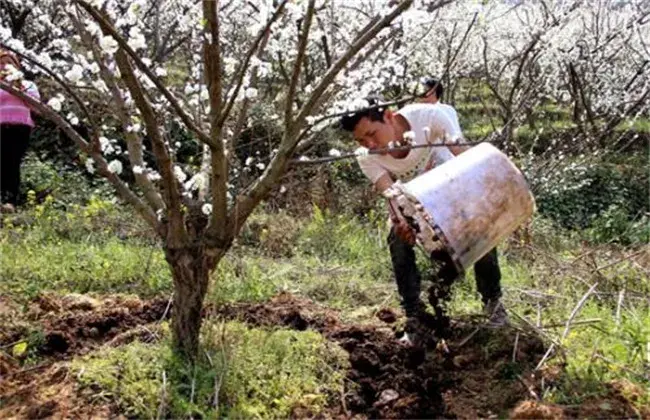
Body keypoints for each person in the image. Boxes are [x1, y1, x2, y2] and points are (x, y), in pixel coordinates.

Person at [340, 94, 507, 335]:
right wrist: (400, 221)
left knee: (481, 224)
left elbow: (467, 157)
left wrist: (492, 189)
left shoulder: (429, 118)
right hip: (412, 203)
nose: (371, 144)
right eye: (361, 140)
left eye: (372, 134)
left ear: (388, 116)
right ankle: (413, 314)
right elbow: (390, 193)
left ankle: (492, 302)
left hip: (452, 191)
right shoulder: (366, 157)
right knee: (396, 238)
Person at [0, 50, 39, 212]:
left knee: (12, 162)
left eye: (9, 62)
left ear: (17, 66)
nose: (5, 65)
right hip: (1, 126)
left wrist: (19, 86)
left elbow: (36, 105)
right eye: (1, 63)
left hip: (20, 128)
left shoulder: (28, 84)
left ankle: (10, 201)